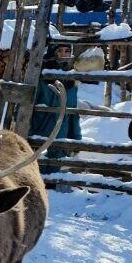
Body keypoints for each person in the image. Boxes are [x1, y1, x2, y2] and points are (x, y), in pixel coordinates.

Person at [30, 43, 82, 174]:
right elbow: (27, 108)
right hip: (40, 131)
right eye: (60, 51)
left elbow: (74, 113)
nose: (64, 55)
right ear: (53, 53)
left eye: (67, 51)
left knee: (55, 173)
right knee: (37, 172)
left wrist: (76, 138)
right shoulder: (41, 78)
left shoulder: (71, 81)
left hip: (61, 134)